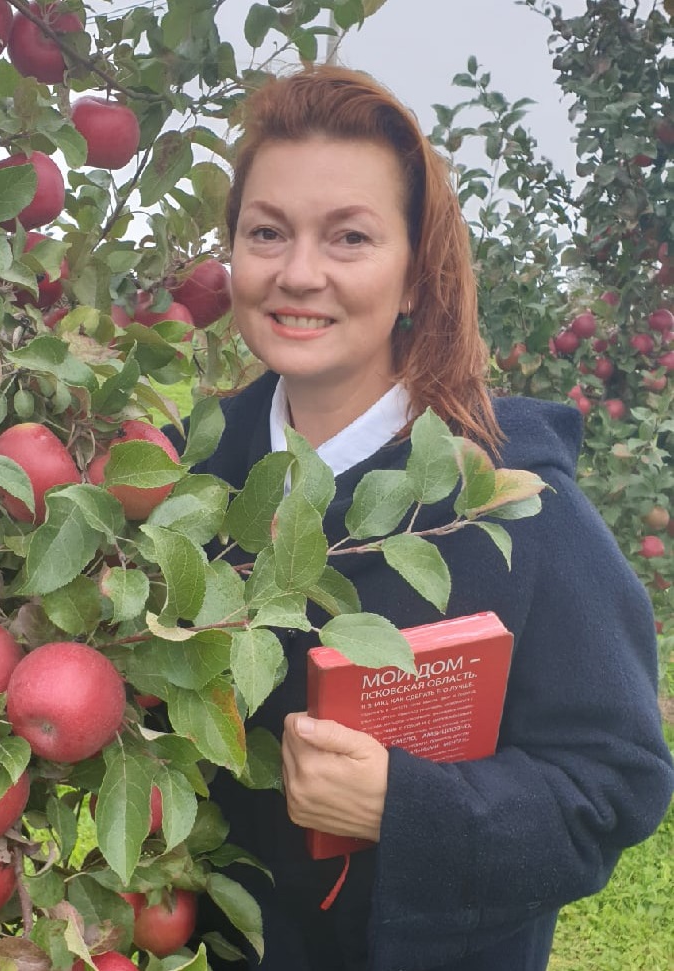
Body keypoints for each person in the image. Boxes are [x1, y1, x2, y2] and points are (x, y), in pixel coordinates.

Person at [182, 64, 674, 971]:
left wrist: (403, 806)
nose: (298, 272)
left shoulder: (518, 503)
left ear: (415, 277)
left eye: (350, 237)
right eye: (266, 232)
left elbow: (616, 783)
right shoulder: (189, 480)